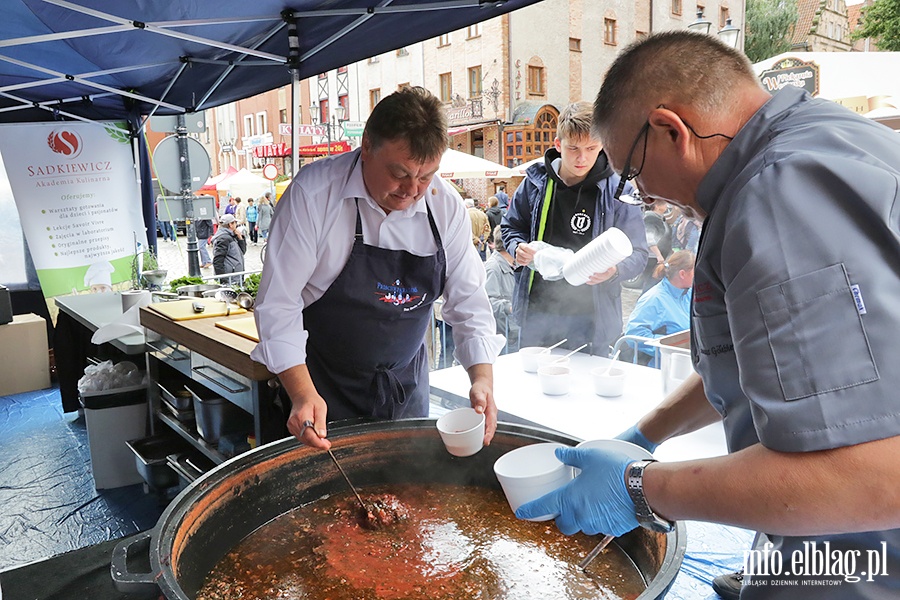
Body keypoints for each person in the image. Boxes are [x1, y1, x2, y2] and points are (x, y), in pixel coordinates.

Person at [515, 31, 900, 599]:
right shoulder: (831, 135)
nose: (645, 197)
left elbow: (871, 477)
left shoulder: (778, 196)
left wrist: (644, 488)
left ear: (672, 131)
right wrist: (646, 435)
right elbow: (768, 355)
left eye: (634, 177)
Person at [250, 86, 504, 450]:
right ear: (366, 146)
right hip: (323, 392)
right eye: (399, 173)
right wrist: (302, 393)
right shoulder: (314, 194)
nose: (412, 190)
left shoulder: (445, 207)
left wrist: (482, 379)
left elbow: (469, 302)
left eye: (426, 176)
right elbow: (277, 303)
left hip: (406, 391)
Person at [501, 101, 648, 354]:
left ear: (602, 144)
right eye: (573, 149)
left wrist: (614, 271)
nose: (583, 158)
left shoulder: (618, 191)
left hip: (592, 322)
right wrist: (517, 247)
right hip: (537, 313)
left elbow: (639, 253)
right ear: (558, 145)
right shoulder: (535, 183)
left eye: (591, 148)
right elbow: (511, 228)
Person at [622, 250, 693, 364]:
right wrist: (670, 348)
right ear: (682, 274)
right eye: (695, 272)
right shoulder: (654, 299)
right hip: (658, 367)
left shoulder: (689, 293)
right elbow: (633, 335)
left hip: (681, 363)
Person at [484, 225, 519, 353]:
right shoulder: (493, 268)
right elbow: (487, 302)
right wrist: (509, 307)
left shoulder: (514, 264)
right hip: (504, 336)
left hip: (514, 333)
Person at [211, 213, 245, 286]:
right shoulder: (224, 238)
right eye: (235, 223)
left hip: (235, 276)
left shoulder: (231, 236)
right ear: (230, 224)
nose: (236, 224)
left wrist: (240, 238)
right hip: (230, 278)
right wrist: (223, 280)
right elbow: (217, 261)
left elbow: (242, 252)